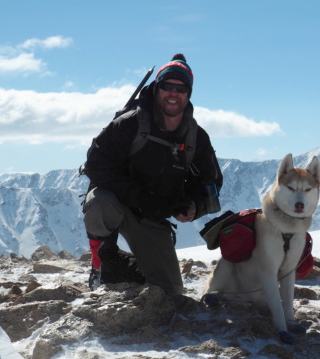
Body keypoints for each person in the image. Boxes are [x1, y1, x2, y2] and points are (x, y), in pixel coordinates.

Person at [82, 53, 223, 294]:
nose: (173, 93)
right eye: (167, 86)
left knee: (170, 292)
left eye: (180, 88)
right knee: (99, 201)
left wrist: (193, 206)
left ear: (188, 94)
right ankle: (100, 264)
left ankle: (125, 267)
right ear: (157, 89)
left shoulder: (196, 136)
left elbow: (211, 180)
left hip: (152, 215)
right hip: (118, 201)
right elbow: (96, 165)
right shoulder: (128, 124)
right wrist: (141, 197)